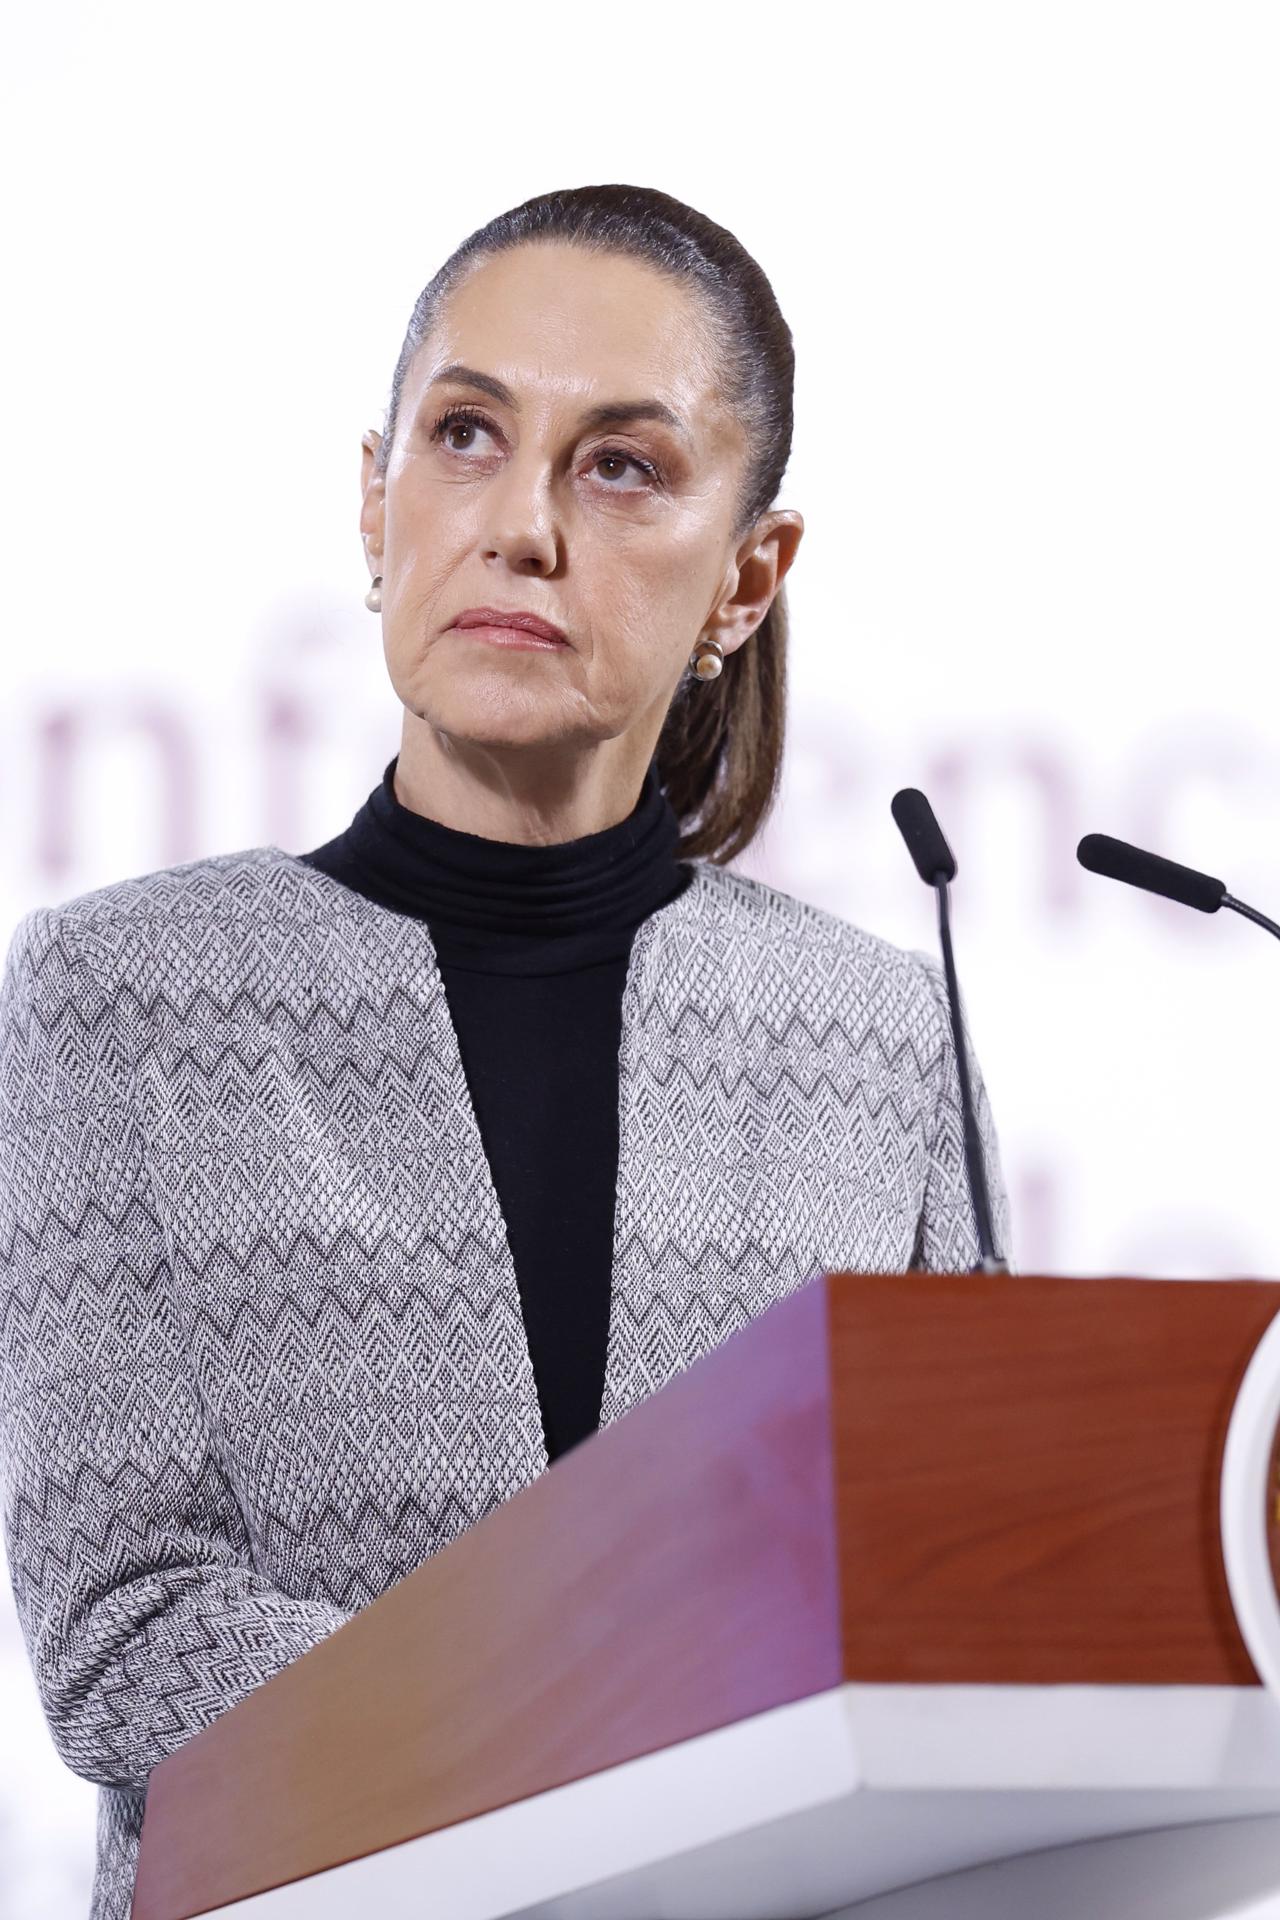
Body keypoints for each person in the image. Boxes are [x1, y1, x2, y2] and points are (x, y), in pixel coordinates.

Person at [0, 182, 1010, 1920]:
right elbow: (129, 1647)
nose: (523, 523)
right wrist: (670, 1691)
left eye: (621, 464)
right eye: (468, 435)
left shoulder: (880, 1042)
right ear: (375, 503)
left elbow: (960, 1601)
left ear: (747, 577)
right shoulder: (120, 999)